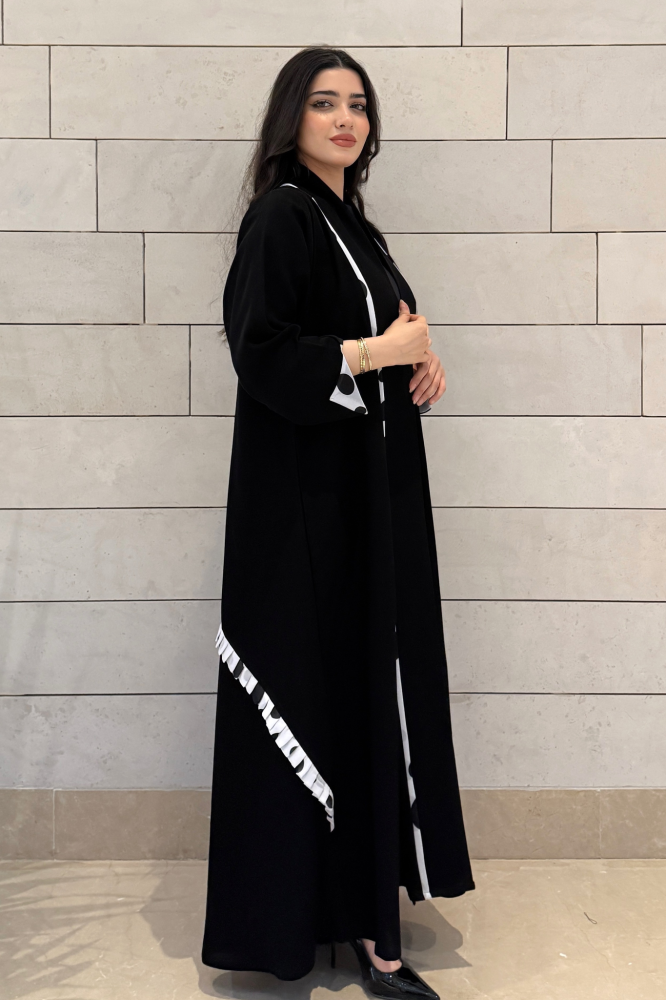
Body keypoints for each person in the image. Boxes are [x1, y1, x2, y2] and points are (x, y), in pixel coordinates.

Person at [201, 45, 475, 999]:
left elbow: (383, 336)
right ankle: (344, 926)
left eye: (357, 104)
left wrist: (417, 360)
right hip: (310, 517)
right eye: (324, 103)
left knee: (364, 694)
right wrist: (375, 353)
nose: (345, 119)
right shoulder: (282, 214)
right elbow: (263, 352)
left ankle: (359, 912)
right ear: (293, 118)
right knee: (330, 692)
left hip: (366, 501)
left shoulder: (350, 221)